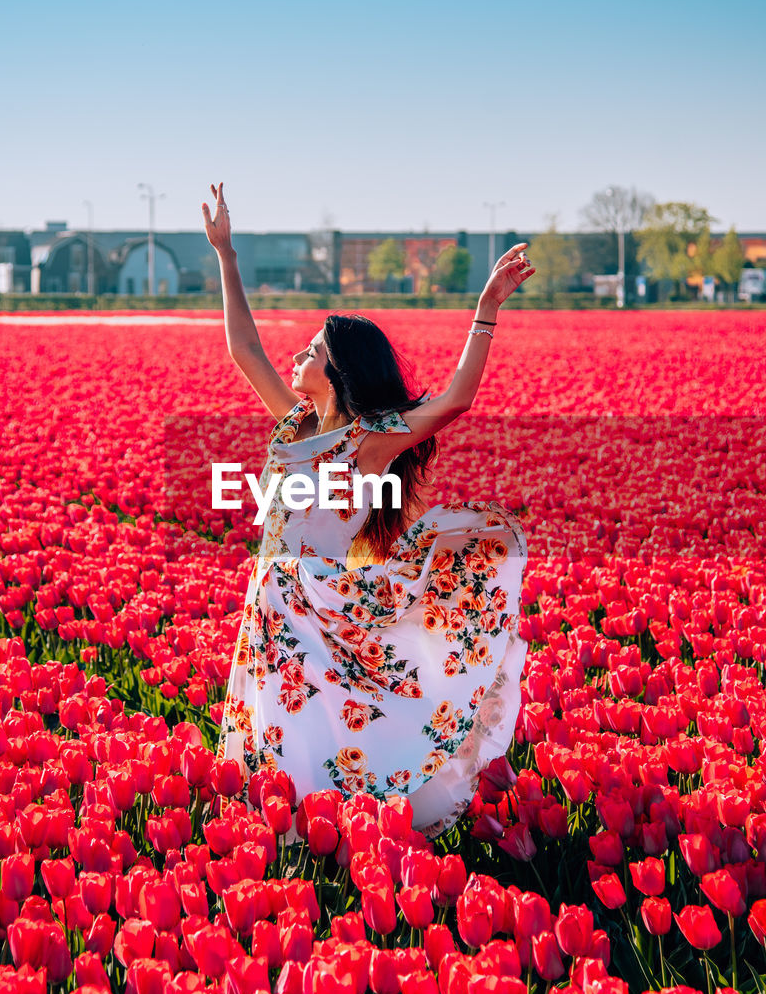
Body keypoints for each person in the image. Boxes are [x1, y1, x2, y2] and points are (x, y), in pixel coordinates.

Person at [202, 183, 535, 839]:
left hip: (321, 599)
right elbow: (245, 350)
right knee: (279, 719)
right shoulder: (298, 427)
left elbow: (456, 400)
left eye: (311, 350)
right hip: (270, 597)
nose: (296, 356)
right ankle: (290, 832)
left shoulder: (370, 442)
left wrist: (486, 312)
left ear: (340, 369)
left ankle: (334, 828)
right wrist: (227, 256)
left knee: (323, 721)